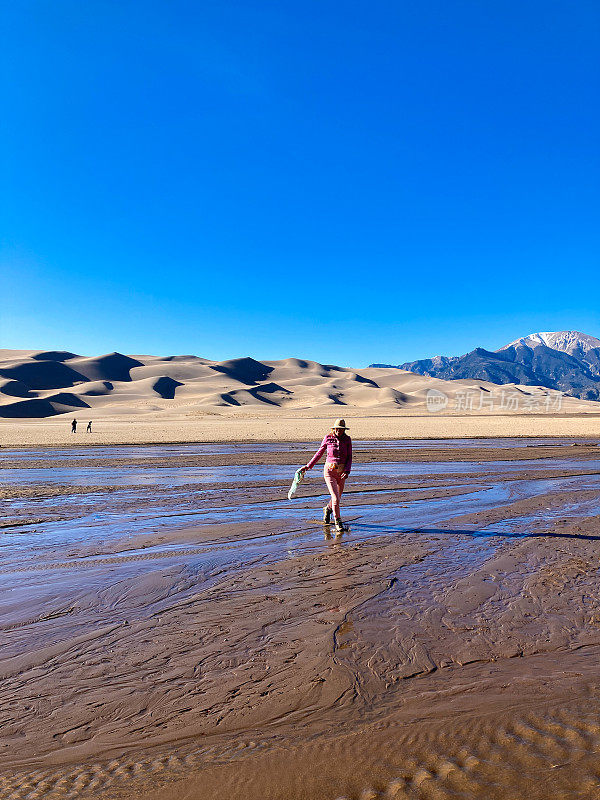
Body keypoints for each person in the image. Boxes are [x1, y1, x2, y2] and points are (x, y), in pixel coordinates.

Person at [302, 418, 352, 535]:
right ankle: (338, 522)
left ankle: (327, 509)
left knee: (337, 498)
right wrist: (309, 466)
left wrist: (347, 471)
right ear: (334, 429)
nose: (339, 431)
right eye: (337, 429)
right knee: (335, 498)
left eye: (341, 430)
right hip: (329, 472)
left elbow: (349, 457)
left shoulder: (347, 440)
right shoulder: (328, 438)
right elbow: (319, 453)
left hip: (342, 473)